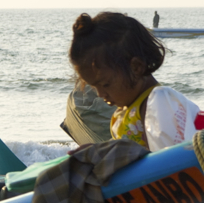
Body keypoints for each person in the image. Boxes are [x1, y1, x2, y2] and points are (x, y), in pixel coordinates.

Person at [70, 11, 200, 151]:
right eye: (94, 87)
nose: (100, 94)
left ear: (136, 67)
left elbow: (172, 157)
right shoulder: (125, 111)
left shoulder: (158, 103)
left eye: (105, 84)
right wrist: (101, 151)